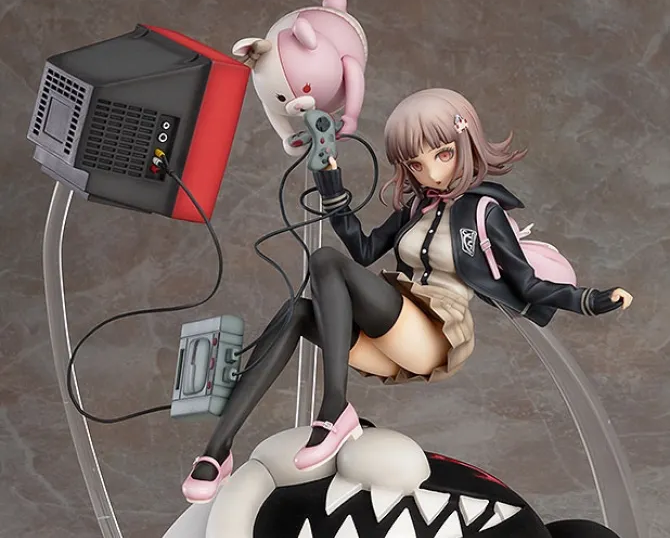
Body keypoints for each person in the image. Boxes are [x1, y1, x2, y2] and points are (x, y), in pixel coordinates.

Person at [181, 88, 632, 503]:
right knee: (298, 312)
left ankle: (335, 408)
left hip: (435, 330)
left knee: (324, 260)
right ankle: (217, 451)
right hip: (391, 328)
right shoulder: (416, 206)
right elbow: (363, 250)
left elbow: (527, 283)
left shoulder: (484, 211)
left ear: (465, 145)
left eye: (442, 155)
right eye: (416, 165)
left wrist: (589, 300)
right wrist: (329, 177)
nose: (430, 172)